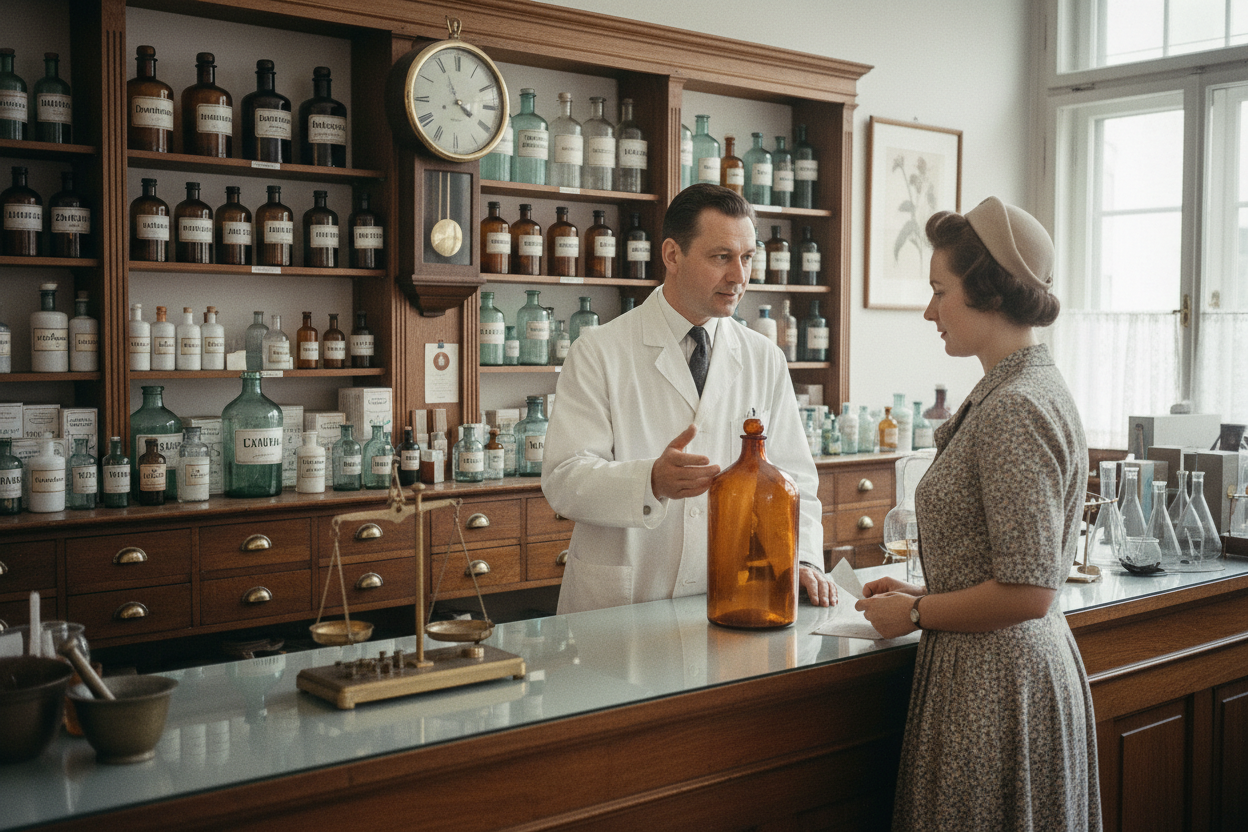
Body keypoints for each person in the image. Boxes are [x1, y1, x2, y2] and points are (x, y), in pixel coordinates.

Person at [855, 197, 1100, 831]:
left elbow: (1028, 592)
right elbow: (1011, 566)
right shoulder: (1024, 387)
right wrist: (927, 589)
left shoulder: (1016, 406)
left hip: (998, 687)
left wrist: (913, 611)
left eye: (940, 291)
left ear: (987, 292)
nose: (929, 310)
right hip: (1000, 673)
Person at [542, 184, 836, 615]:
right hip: (623, 602)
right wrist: (651, 481)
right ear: (672, 255)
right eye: (722, 257)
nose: (739, 276)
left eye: (748, 257)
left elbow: (796, 479)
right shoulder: (599, 351)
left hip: (731, 597)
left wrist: (805, 557)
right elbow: (564, 479)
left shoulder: (763, 357)